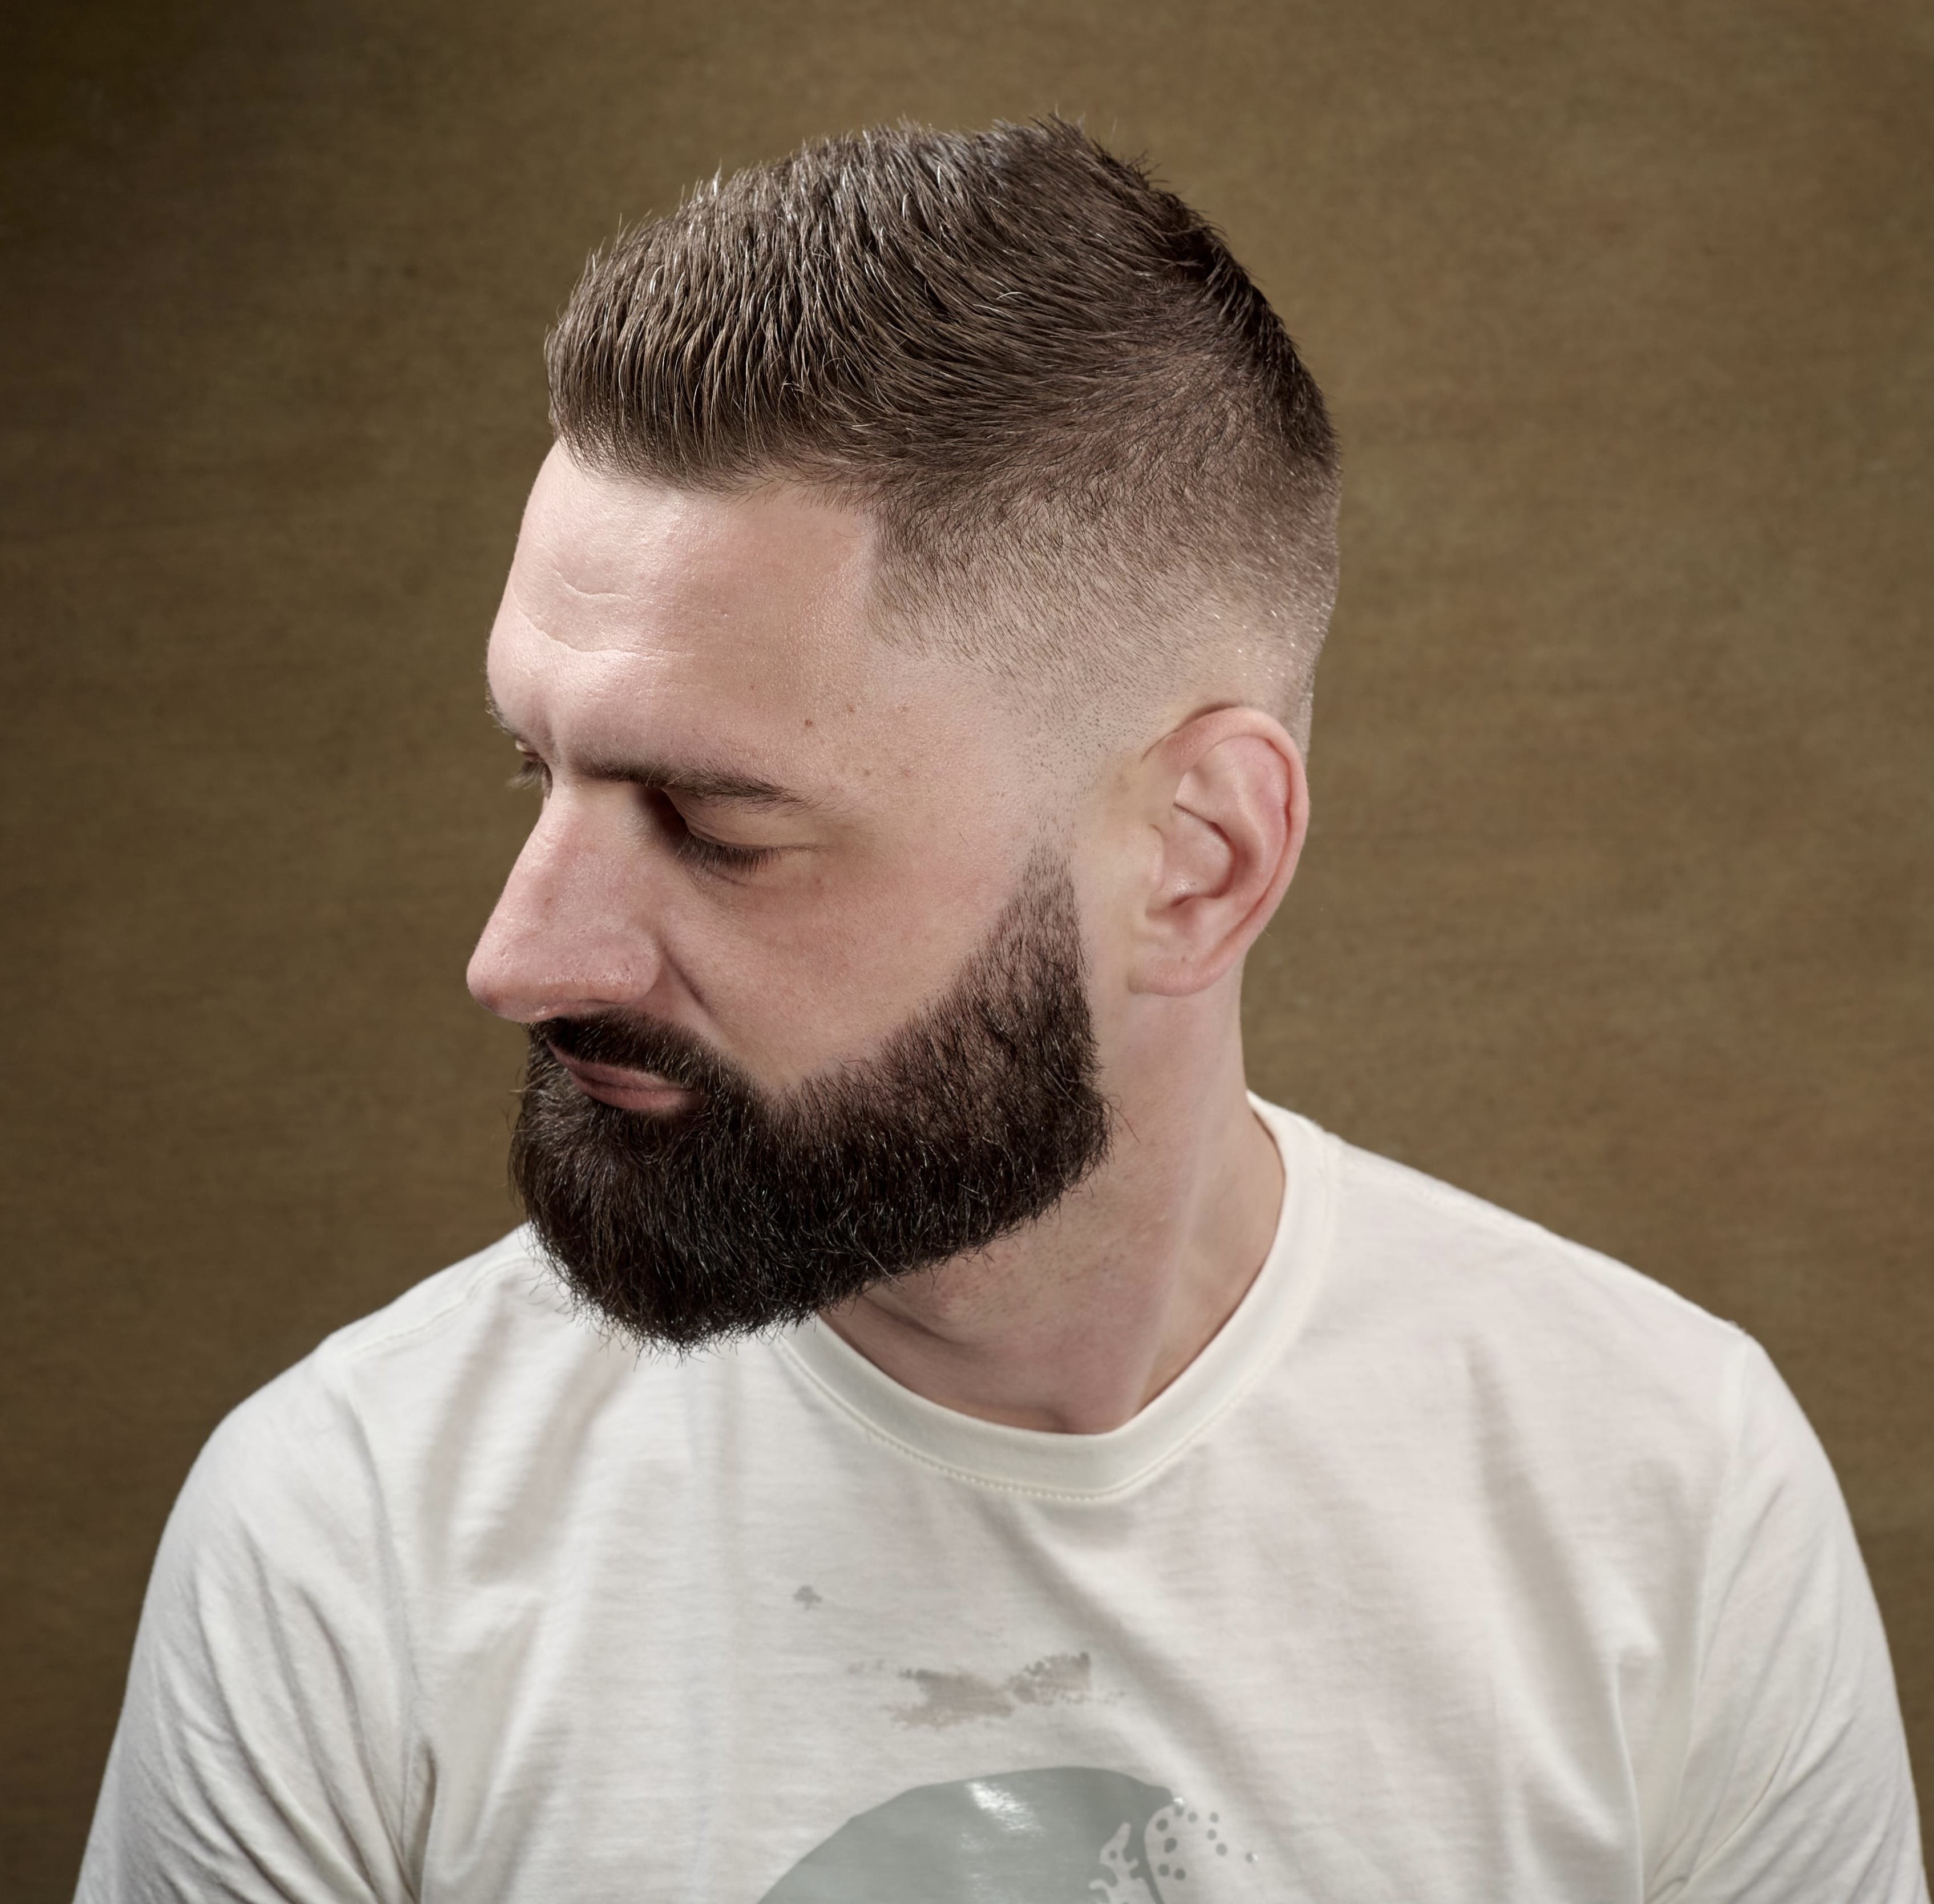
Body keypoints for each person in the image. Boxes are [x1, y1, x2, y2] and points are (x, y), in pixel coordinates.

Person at [77, 118, 1923, 1903]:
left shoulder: (1665, 1498)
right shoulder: (351, 1540)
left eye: (718, 826)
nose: (521, 956)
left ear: (1195, 861)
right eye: (534, 772)